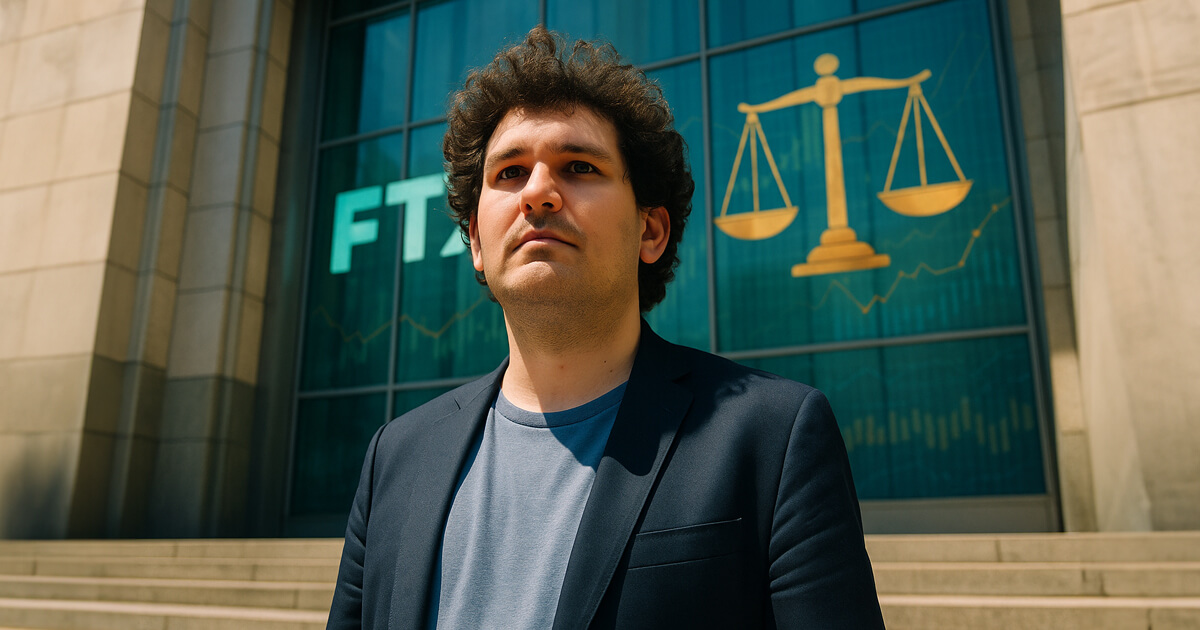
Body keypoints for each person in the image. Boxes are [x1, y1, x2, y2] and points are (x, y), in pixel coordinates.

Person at [326, 26, 885, 630]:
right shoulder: (395, 457)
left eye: (579, 166)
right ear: (476, 245)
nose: (538, 193)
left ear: (651, 232)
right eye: (509, 173)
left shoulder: (771, 438)